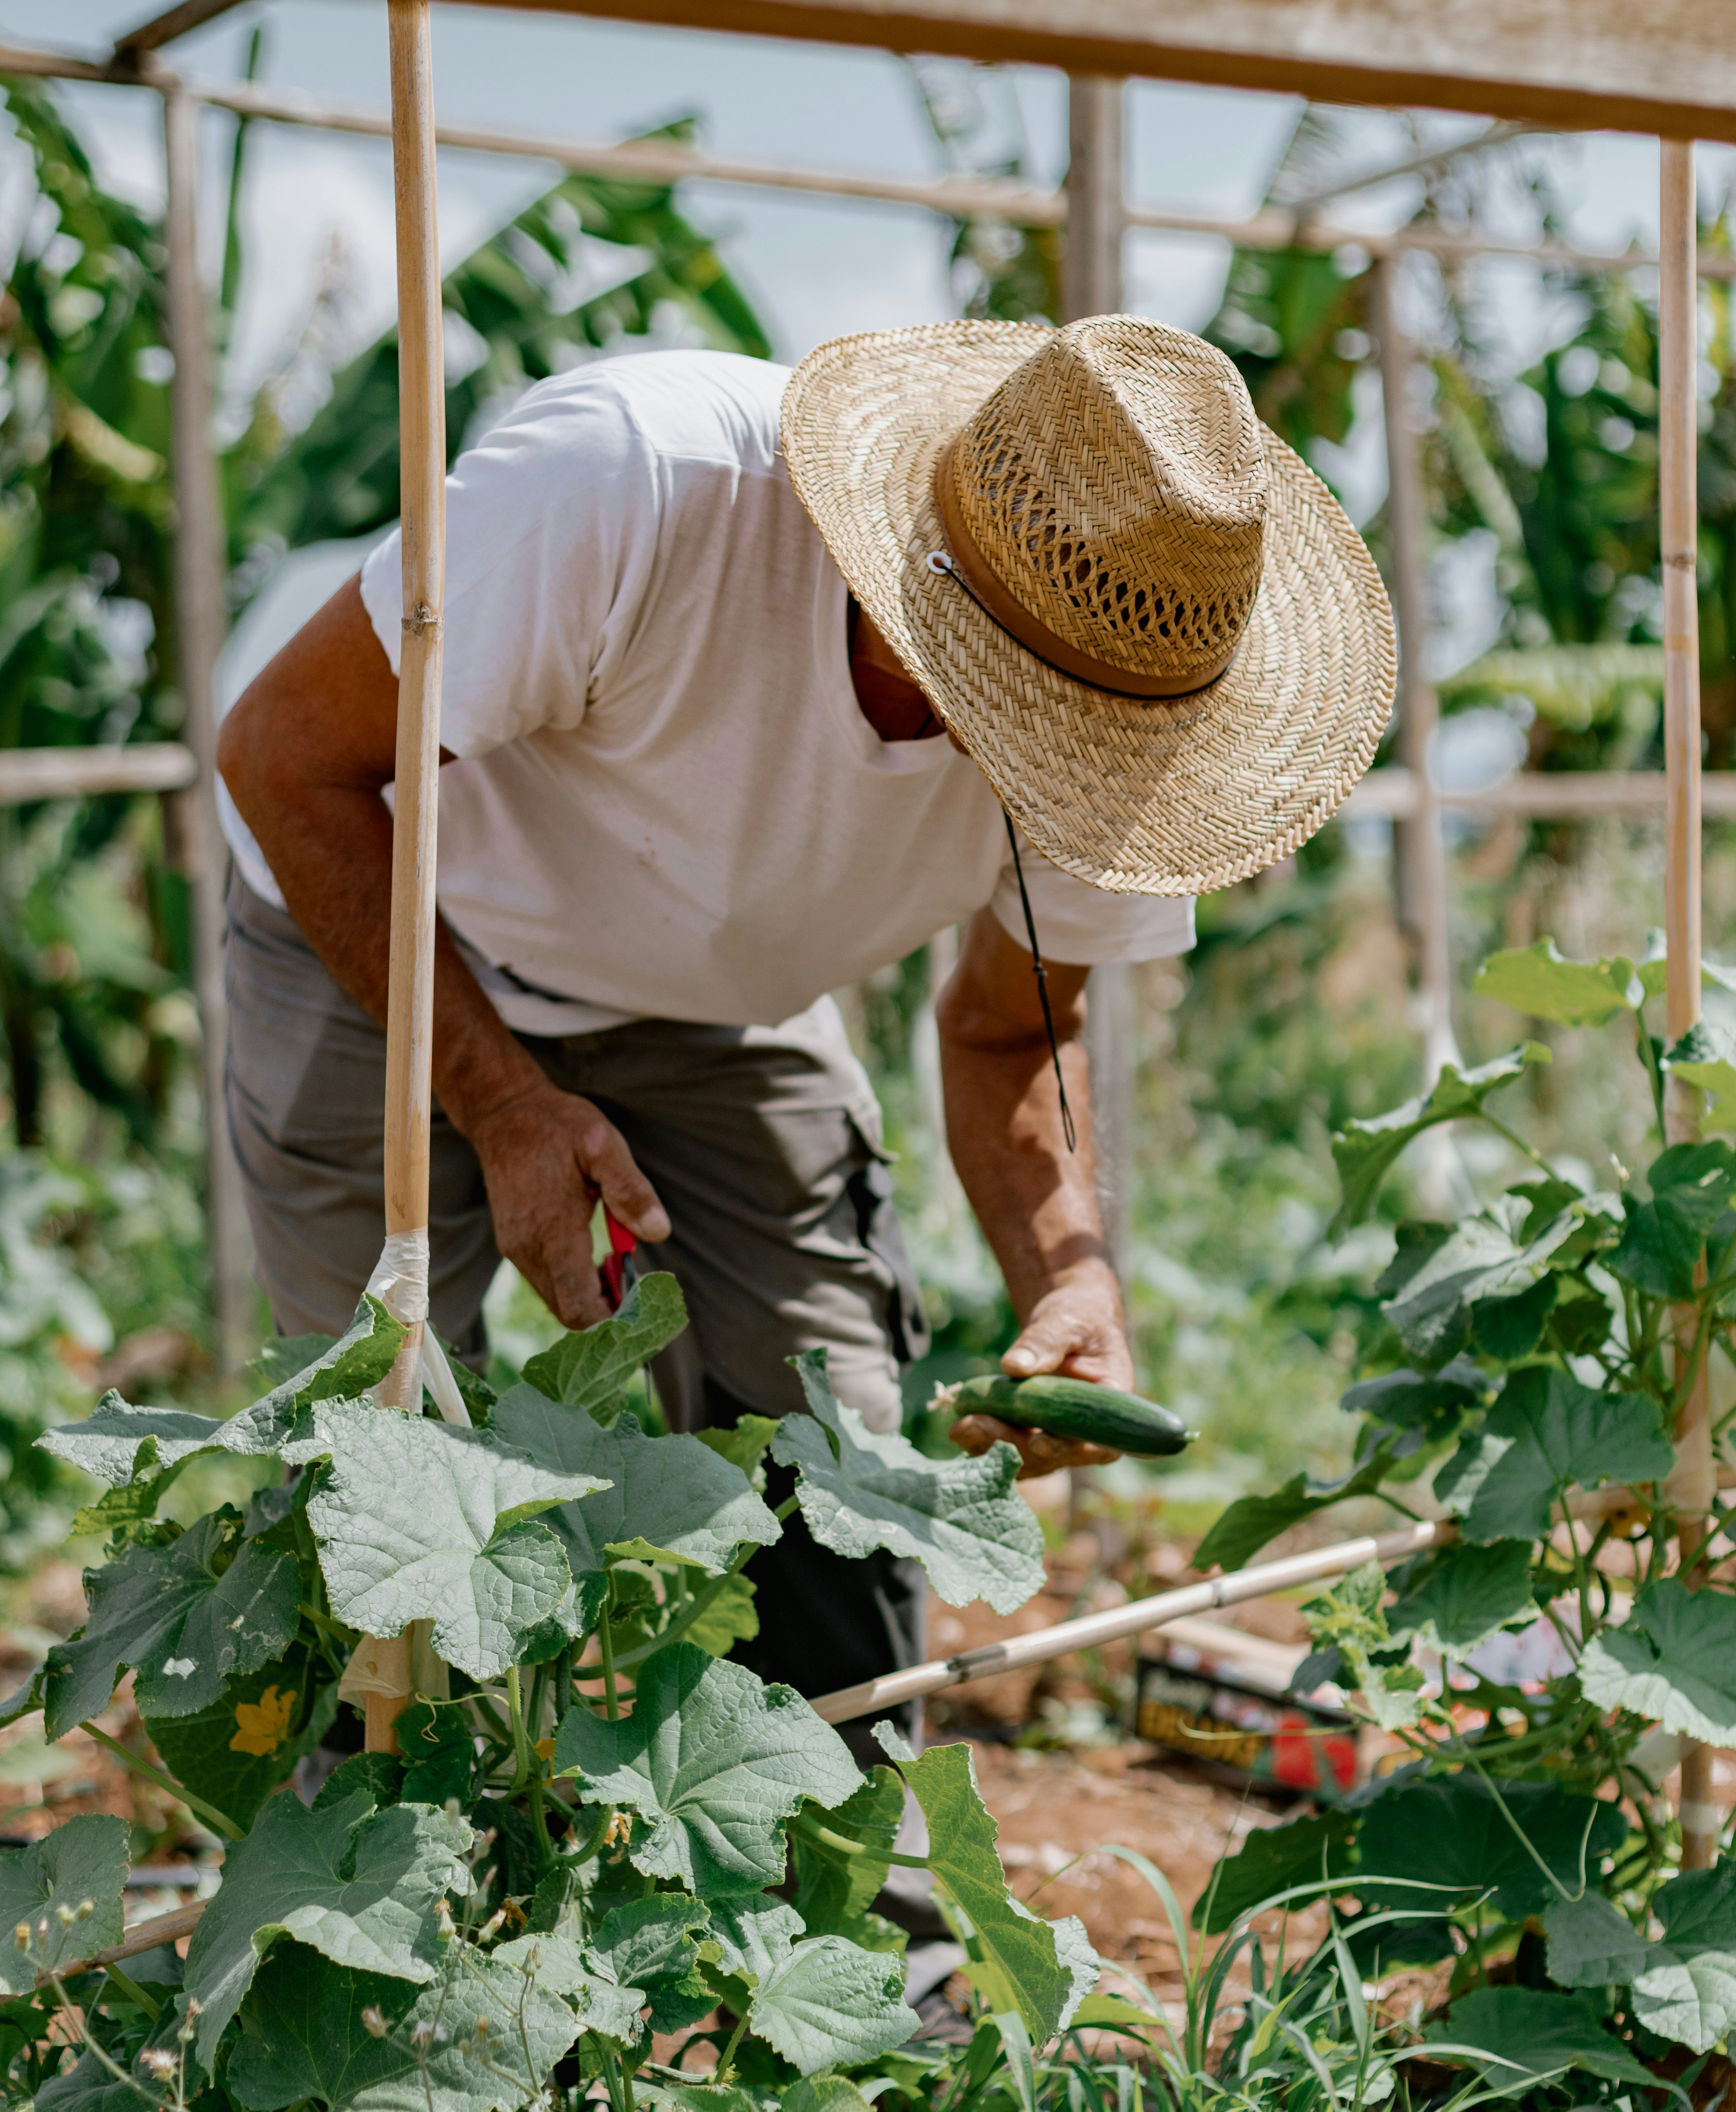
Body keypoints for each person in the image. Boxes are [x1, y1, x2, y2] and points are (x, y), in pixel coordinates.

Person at [216, 311, 1394, 1722]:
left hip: (723, 1003)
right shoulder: (636, 488)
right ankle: (392, 1897)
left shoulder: (1131, 692)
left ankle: (829, 1895)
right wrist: (502, 1099)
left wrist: (1068, 1276)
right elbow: (284, 759)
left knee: (829, 1427)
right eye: (1014, 702)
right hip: (394, 916)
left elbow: (1011, 1034)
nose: (1037, 754)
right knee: (388, 1454)